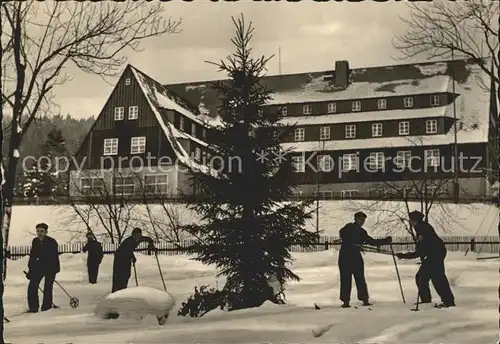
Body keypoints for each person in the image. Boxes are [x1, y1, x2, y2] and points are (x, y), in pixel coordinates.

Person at [395, 211, 455, 308]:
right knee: (425, 277)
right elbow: (422, 248)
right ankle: (441, 301)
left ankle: (446, 302)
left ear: (415, 220)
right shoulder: (422, 227)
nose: (410, 221)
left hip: (434, 255)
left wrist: (404, 256)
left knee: (434, 278)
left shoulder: (421, 228)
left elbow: (420, 250)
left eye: (411, 219)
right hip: (435, 254)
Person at [338, 212, 392, 308]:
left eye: (363, 220)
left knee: (360, 278)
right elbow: (343, 234)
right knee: (346, 278)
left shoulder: (361, 232)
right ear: (355, 219)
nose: (362, 222)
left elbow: (371, 242)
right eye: (360, 219)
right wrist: (352, 242)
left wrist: (385, 241)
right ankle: (346, 301)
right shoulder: (348, 228)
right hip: (345, 256)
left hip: (355, 256)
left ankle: (364, 299)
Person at [26, 223, 60, 313]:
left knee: (48, 287)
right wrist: (31, 270)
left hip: (50, 267)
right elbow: (33, 256)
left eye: (42, 231)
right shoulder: (35, 241)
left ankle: (46, 308)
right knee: (32, 287)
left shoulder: (52, 242)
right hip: (39, 267)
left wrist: (53, 270)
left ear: (46, 232)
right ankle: (33, 308)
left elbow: (54, 257)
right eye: (38, 231)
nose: (39, 233)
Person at [111, 227, 156, 293]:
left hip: (127, 257)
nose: (136, 237)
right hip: (119, 258)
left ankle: (123, 289)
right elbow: (127, 251)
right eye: (135, 235)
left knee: (127, 275)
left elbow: (148, 239)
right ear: (132, 235)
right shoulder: (128, 241)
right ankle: (116, 291)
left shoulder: (140, 239)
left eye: (138, 235)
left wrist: (152, 246)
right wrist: (133, 257)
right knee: (119, 275)